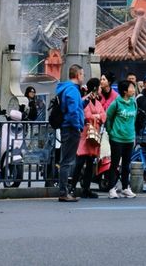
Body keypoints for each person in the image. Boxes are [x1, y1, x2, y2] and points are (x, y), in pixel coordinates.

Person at [71, 78, 106, 198]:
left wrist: (95, 116)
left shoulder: (97, 101)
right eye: (100, 87)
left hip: (93, 133)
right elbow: (87, 115)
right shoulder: (85, 100)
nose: (101, 89)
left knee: (90, 163)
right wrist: (97, 116)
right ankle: (72, 187)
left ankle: (86, 188)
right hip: (85, 134)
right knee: (80, 162)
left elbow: (103, 115)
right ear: (95, 88)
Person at [55, 64, 85, 202]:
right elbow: (73, 111)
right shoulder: (72, 90)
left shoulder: (66, 88)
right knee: (67, 161)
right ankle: (63, 192)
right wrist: (78, 126)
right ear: (78, 75)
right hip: (71, 128)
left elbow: (76, 107)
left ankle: (64, 191)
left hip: (66, 127)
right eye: (83, 75)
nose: (83, 77)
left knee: (66, 160)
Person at [105, 79, 138, 199]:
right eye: (131, 87)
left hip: (129, 138)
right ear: (125, 91)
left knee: (126, 164)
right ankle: (111, 188)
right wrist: (111, 131)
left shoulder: (134, 103)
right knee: (114, 164)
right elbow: (108, 117)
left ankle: (125, 188)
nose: (133, 90)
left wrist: (132, 133)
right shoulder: (116, 103)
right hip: (117, 138)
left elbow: (134, 119)